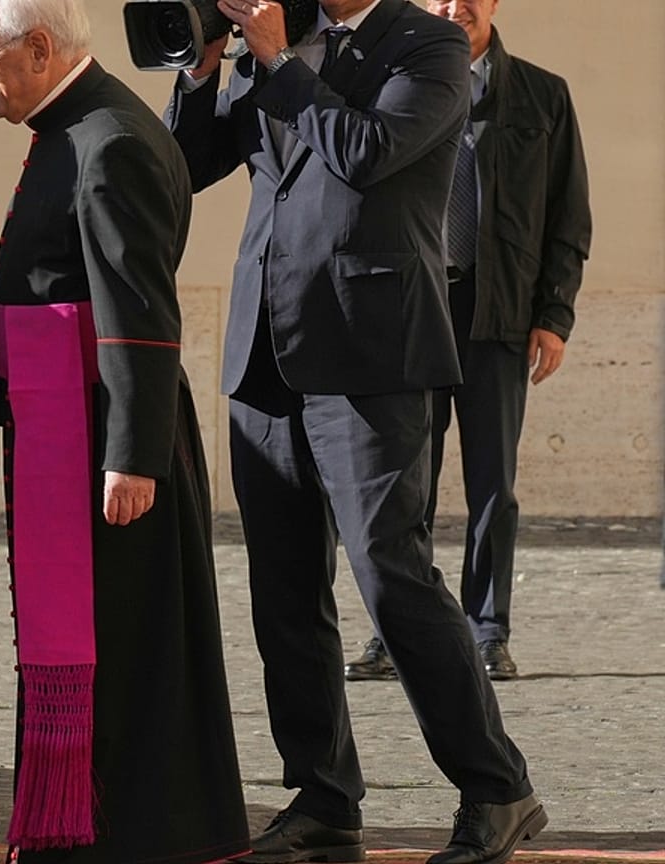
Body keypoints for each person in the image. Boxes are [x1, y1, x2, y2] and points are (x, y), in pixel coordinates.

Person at [165, 1, 547, 862]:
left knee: (390, 574)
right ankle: (324, 798)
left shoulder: (429, 45)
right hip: (266, 353)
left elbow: (366, 153)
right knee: (285, 588)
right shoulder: (275, 44)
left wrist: (277, 61)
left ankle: (498, 788)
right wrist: (201, 70)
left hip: (373, 354)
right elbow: (181, 169)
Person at [0, 1, 251, 861]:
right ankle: (88, 830)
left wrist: (131, 456)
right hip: (76, 412)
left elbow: (135, 309)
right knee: (106, 640)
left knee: (124, 645)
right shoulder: (80, 125)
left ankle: (129, 836)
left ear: (38, 47)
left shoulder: (111, 141)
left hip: (102, 433)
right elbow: (56, 285)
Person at [344, 0, 591, 684]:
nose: (455, 5)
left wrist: (554, 316)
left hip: (497, 314)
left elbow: (569, 218)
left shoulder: (542, 95)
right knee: (403, 484)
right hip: (412, 311)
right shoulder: (393, 80)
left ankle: (488, 631)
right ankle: (397, 632)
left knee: (492, 486)